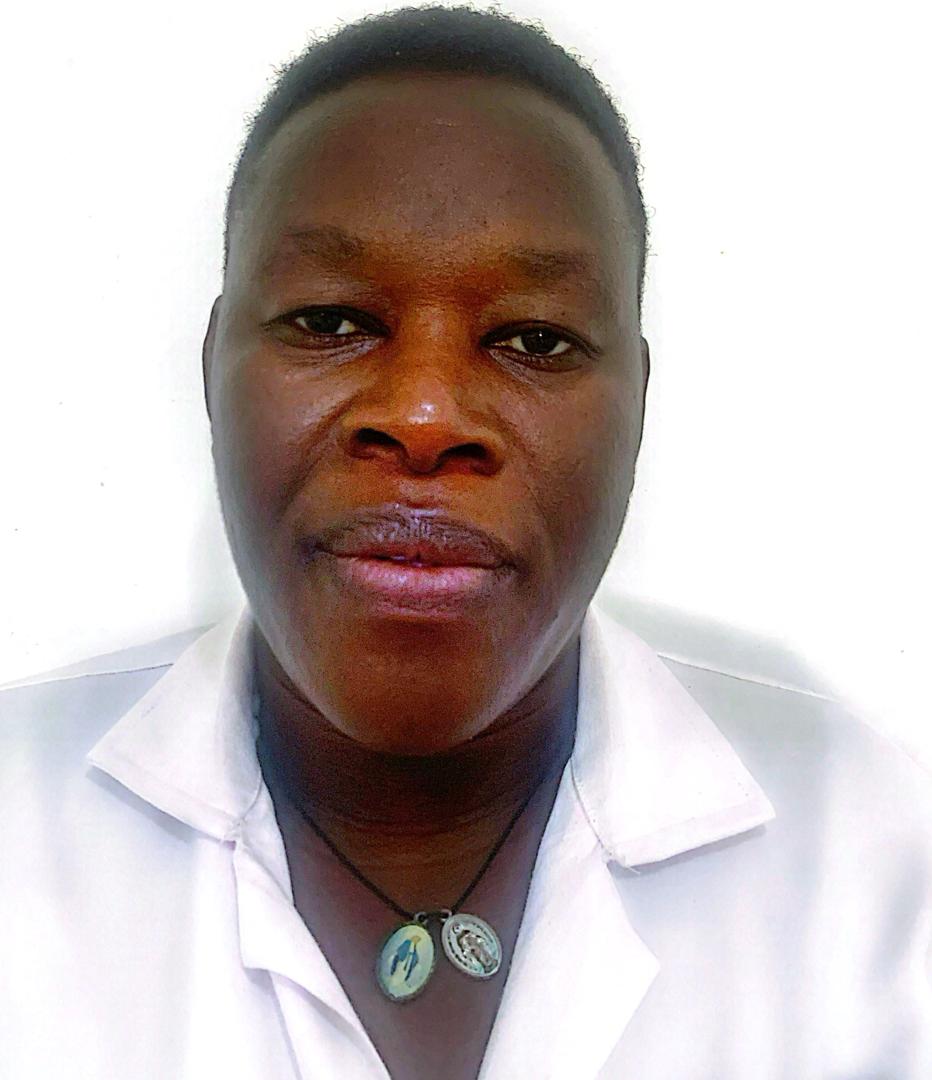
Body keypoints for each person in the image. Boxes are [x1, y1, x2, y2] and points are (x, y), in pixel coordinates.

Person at [1, 7, 930, 1079]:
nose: (426, 416)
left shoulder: (869, 853)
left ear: (636, 406)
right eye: (330, 323)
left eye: (533, 339)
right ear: (213, 370)